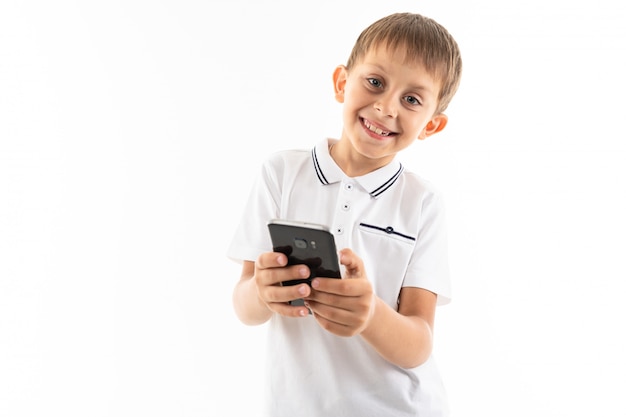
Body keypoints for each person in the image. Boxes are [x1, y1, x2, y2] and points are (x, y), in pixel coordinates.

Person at [227, 12, 462, 417]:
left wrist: (369, 313)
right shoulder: (282, 173)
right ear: (342, 82)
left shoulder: (423, 203)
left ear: (431, 125)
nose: (386, 106)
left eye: (411, 100)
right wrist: (263, 292)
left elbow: (418, 344)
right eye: (375, 82)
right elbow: (245, 306)